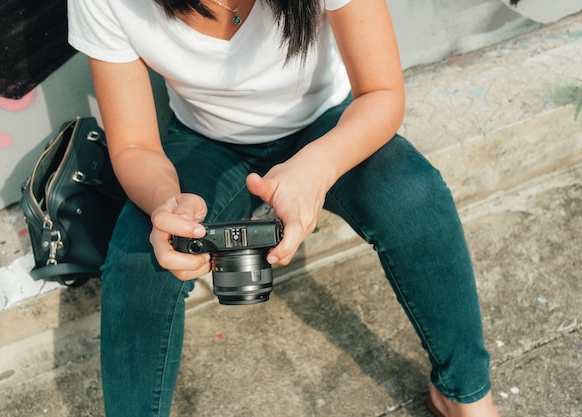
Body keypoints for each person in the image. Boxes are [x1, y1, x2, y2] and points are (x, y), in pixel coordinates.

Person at [67, 0, 501, 415]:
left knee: (412, 196)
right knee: (140, 258)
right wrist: (167, 202)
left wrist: (318, 166)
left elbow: (382, 93)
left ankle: (463, 395)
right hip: (206, 140)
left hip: (326, 124)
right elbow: (136, 145)